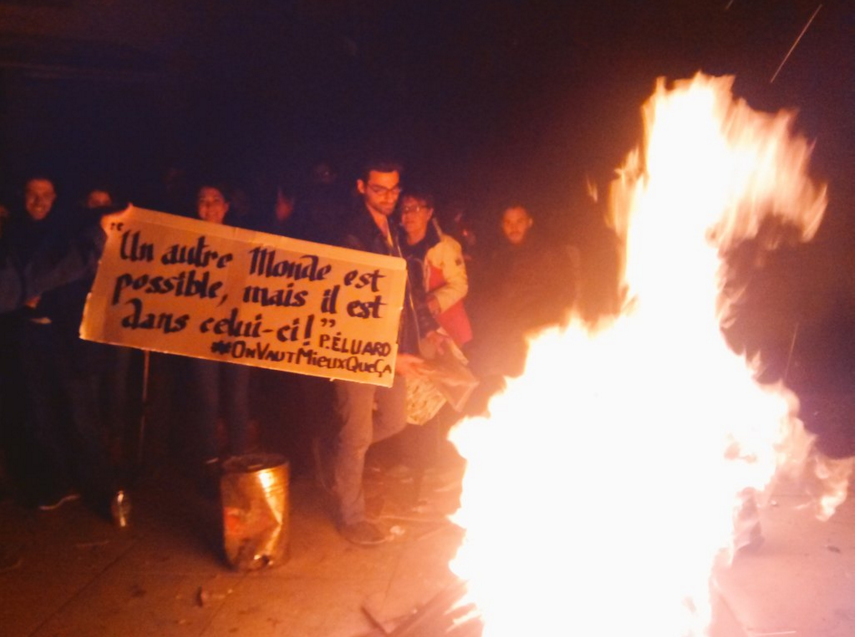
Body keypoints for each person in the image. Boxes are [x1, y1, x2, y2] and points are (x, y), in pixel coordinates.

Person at [324, 159, 431, 546]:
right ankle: (351, 517)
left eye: (394, 189)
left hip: (392, 344)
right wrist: (389, 358)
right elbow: (353, 307)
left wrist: (422, 335)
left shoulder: (393, 231)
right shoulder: (351, 234)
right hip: (357, 350)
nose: (389, 198)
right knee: (355, 436)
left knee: (394, 420)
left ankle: (336, 455)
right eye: (378, 189)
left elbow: (403, 291)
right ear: (361, 187)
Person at [2, 176, 117, 513]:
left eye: (45, 195)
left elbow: (73, 285)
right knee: (39, 415)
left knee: (82, 416)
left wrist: (40, 300)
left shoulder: (66, 234)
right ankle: (53, 484)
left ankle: (101, 488)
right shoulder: (11, 234)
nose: (38, 201)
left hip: (65, 340)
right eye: (31, 194)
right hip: (26, 338)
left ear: (55, 198)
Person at [181, 183, 252, 493]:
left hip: (237, 333)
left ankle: (239, 462)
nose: (209, 207)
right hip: (199, 333)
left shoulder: (243, 243)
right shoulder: (184, 243)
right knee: (205, 399)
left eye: (215, 201)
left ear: (226, 207)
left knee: (237, 398)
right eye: (202, 201)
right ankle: (210, 465)